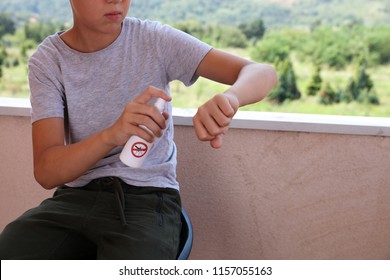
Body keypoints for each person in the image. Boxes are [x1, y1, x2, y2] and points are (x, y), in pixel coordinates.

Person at [0, 0, 277, 260]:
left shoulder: (153, 39)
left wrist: (231, 98)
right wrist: (112, 134)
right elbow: (48, 172)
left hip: (147, 199)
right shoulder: (48, 60)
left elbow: (262, 72)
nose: (115, 0)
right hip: (74, 199)